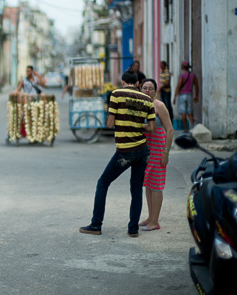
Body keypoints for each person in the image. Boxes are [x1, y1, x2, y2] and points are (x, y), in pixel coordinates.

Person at [79, 69, 156, 238]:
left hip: (125, 151)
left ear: (122, 82)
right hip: (143, 150)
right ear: (137, 84)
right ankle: (133, 229)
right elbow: (151, 128)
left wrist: (119, 119)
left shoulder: (116, 94)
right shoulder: (147, 100)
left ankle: (96, 224)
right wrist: (137, 125)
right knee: (136, 189)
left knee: (102, 183)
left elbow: (110, 123)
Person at [139, 78, 174, 232]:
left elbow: (170, 130)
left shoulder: (159, 106)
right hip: (144, 149)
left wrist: (166, 152)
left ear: (155, 91)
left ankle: (155, 221)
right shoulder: (140, 105)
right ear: (140, 89)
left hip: (158, 148)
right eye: (145, 88)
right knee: (147, 184)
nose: (147, 90)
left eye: (151, 88)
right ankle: (150, 217)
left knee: (156, 185)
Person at [173, 61, 199, 132]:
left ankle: (186, 129)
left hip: (182, 95)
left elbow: (178, 86)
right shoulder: (193, 75)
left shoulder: (182, 76)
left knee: (183, 112)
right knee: (190, 112)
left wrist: (175, 97)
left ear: (183, 67)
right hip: (189, 95)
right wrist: (196, 95)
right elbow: (196, 86)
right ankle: (193, 128)